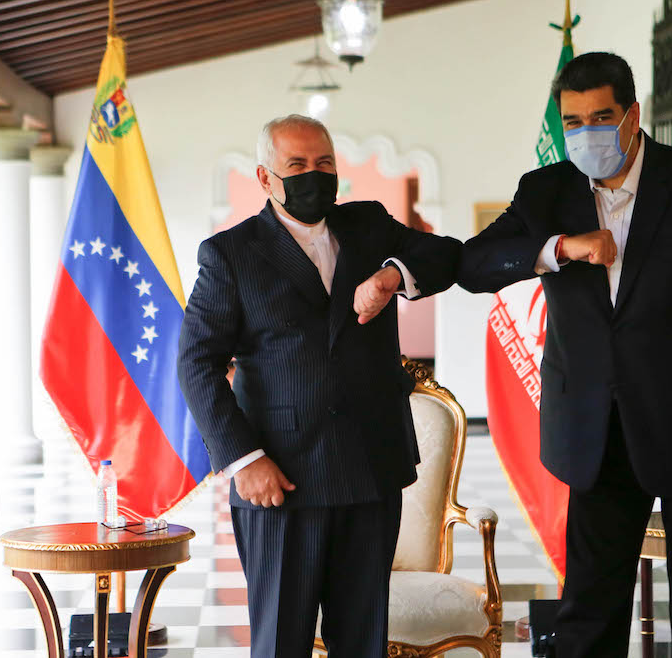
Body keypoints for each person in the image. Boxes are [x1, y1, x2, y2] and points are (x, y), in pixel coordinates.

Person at [458, 52, 672, 657]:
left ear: (632, 115)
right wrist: (559, 247)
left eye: (600, 116)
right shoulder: (546, 191)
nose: (586, 133)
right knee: (590, 614)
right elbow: (475, 265)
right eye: (573, 120)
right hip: (595, 437)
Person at [177, 114, 460, 657]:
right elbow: (196, 363)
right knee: (283, 641)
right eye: (297, 166)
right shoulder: (229, 254)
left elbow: (445, 254)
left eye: (324, 163)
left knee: (362, 641)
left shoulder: (369, 225)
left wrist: (392, 275)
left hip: (370, 469)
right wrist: (243, 460)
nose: (315, 175)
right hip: (282, 480)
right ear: (265, 179)